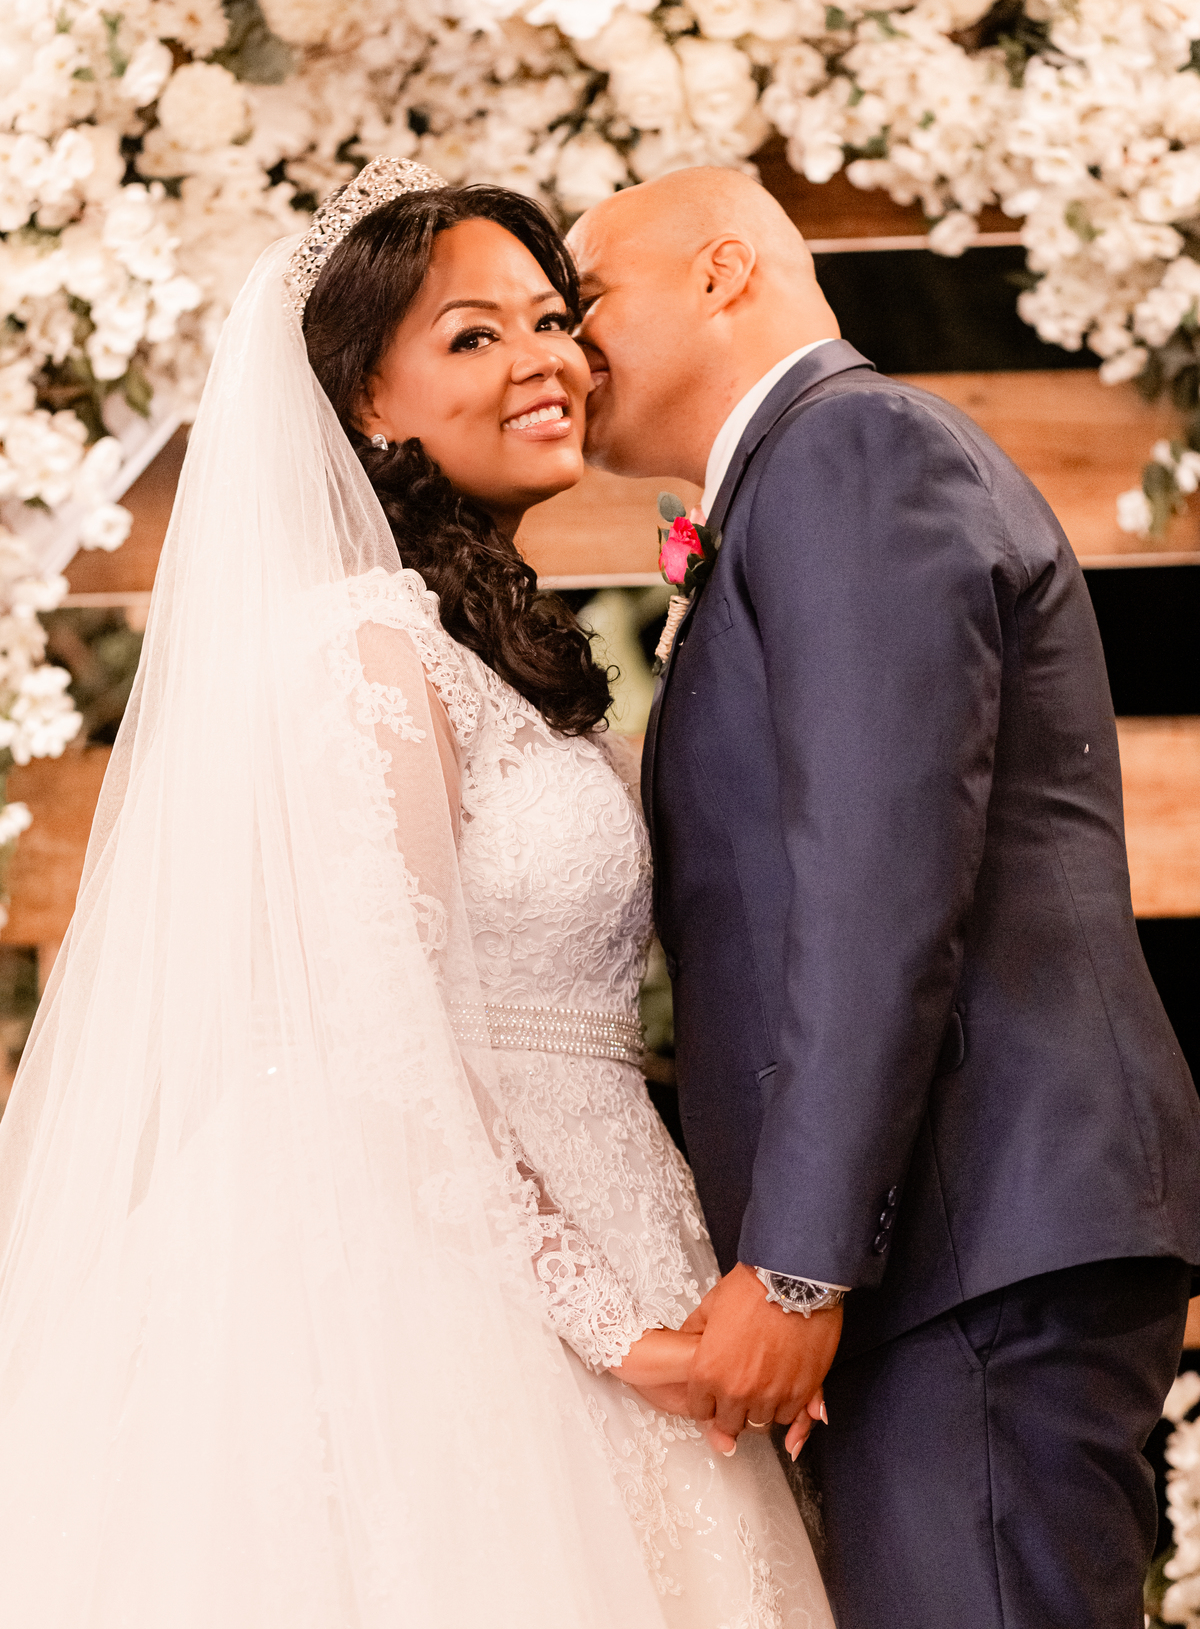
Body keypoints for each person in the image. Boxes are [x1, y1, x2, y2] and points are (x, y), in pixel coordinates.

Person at [0, 157, 831, 1629]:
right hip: (463, 1290)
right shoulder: (365, 652)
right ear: (369, 409)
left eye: (550, 319)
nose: (546, 362)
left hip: (617, 1215)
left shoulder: (486, 650)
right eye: (473, 335)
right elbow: (384, 1037)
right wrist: (612, 1331)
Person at [566, 164, 1200, 1629]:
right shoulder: (804, 477)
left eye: (588, 294)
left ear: (725, 273)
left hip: (972, 1234)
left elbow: (880, 873)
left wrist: (793, 1266)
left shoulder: (853, 454)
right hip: (941, 1241)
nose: (567, 341)